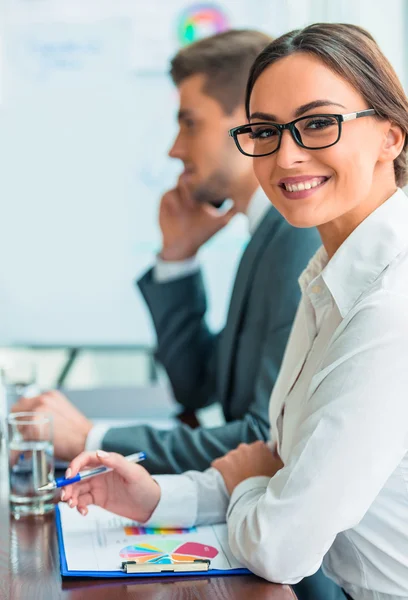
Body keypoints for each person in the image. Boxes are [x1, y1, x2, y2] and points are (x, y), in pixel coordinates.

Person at [61, 22, 408, 600]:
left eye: (318, 123)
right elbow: (275, 464)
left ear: (390, 137)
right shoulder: (329, 275)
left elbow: (281, 541)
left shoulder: (389, 305)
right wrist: (156, 498)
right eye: (265, 131)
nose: (286, 154)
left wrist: (250, 484)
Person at [12, 30, 320, 474]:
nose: (175, 149)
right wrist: (178, 257)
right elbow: (199, 387)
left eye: (189, 123)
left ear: (251, 119)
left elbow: (263, 438)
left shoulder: (297, 236)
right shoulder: (266, 234)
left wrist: (90, 439)